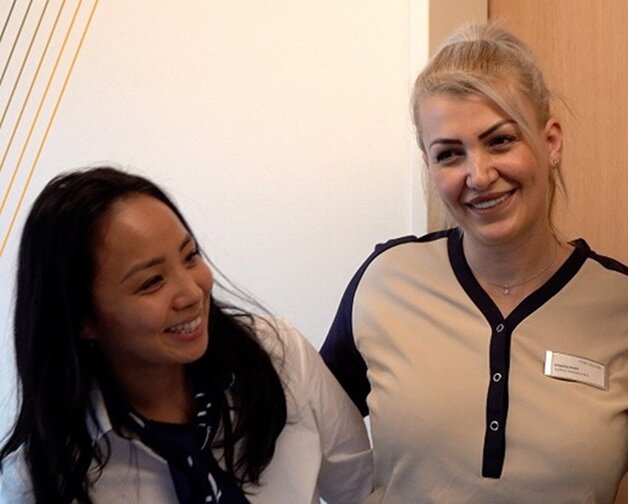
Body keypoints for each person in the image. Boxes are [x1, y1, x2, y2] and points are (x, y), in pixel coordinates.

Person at [320, 23, 628, 503]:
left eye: (500, 141)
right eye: (449, 154)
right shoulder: (385, 282)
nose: (479, 175)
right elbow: (306, 438)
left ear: (551, 142)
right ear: (429, 166)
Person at [0, 166, 372, 503]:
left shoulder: (278, 353)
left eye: (190, 256)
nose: (192, 293)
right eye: (152, 282)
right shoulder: (38, 483)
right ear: (83, 319)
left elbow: (366, 491)